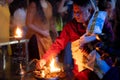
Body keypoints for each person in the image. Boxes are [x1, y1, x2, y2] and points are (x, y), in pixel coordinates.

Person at [36, 0, 114, 80]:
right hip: (82, 72)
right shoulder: (71, 26)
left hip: (102, 70)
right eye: (74, 12)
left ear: (89, 10)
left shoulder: (100, 22)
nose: (76, 15)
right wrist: (44, 59)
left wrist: (97, 45)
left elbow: (111, 41)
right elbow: (58, 44)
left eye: (79, 12)